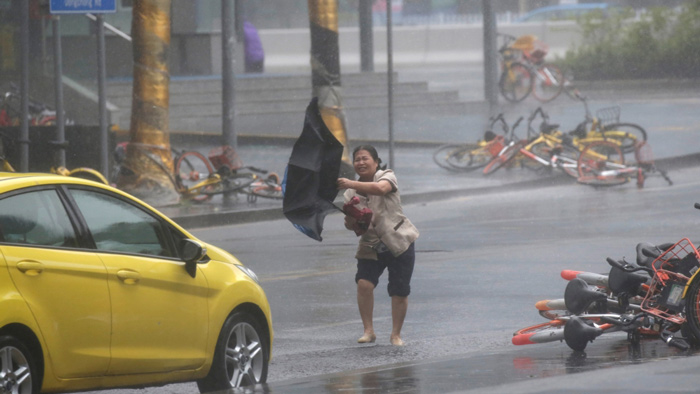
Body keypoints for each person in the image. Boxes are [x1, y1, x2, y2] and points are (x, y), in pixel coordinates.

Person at [337, 145, 419, 346]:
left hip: (398, 241)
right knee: (364, 284)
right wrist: (351, 218)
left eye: (365, 158)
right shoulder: (349, 193)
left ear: (375, 161)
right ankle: (368, 331)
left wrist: (350, 182)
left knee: (399, 291)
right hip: (371, 244)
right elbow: (353, 227)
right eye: (357, 159)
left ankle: (395, 335)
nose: (361, 163)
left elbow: (380, 189)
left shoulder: (387, 176)